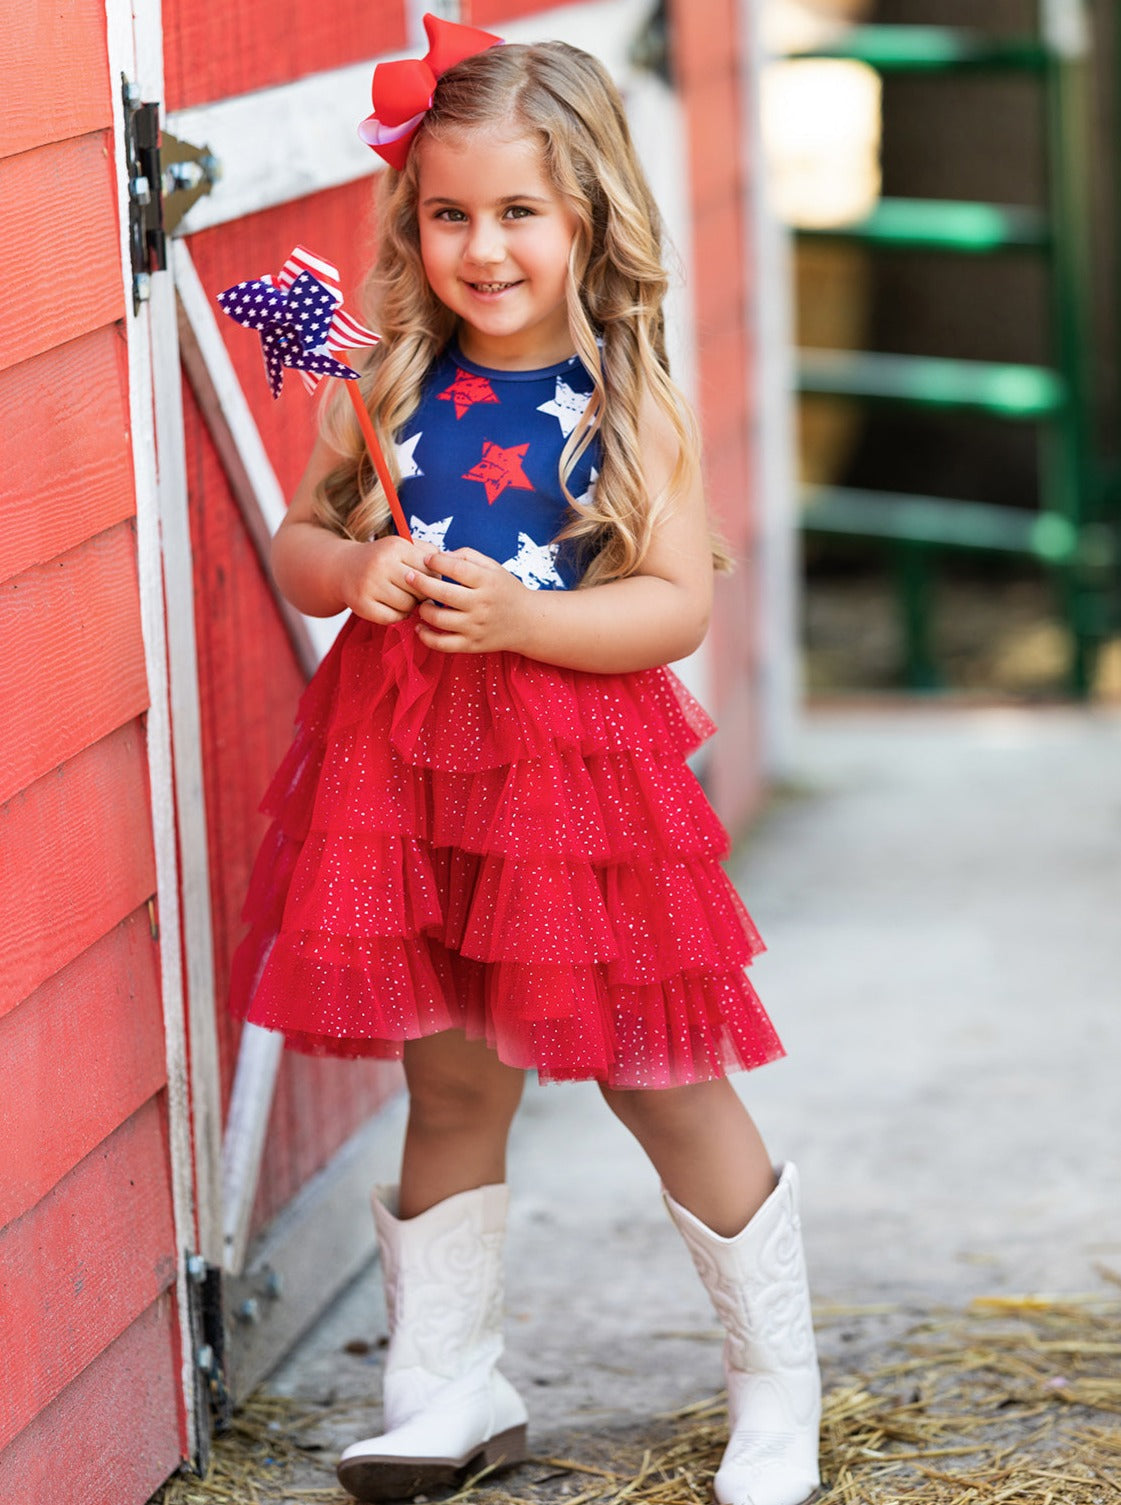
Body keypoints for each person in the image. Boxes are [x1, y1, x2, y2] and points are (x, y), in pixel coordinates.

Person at [229, 15, 821, 1505]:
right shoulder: (369, 377)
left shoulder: (631, 404)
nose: (479, 247)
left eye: (516, 213)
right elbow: (300, 540)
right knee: (450, 1080)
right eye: (446, 213)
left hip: (575, 785)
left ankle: (774, 1388)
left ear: (585, 217)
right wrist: (348, 570)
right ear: (409, 216)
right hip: (406, 769)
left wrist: (528, 615)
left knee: (660, 1071)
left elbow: (673, 602)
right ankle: (444, 1384)